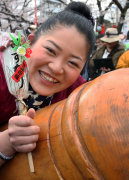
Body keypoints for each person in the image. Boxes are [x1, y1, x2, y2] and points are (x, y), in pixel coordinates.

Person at [0, 1, 95, 166]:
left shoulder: (80, 95)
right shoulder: (3, 70)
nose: (56, 68)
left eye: (73, 63)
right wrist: (6, 143)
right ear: (30, 42)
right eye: (50, 50)